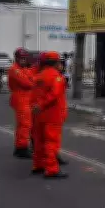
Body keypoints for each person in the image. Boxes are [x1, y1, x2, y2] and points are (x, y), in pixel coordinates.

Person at [31, 51, 69, 179]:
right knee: (51, 141)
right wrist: (41, 104)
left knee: (39, 141)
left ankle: (38, 165)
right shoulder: (56, 77)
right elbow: (54, 95)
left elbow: (33, 95)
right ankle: (51, 169)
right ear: (56, 63)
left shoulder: (38, 76)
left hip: (38, 114)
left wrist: (36, 107)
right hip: (52, 114)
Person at [8, 48, 35, 158]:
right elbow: (28, 83)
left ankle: (20, 147)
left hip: (25, 99)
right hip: (20, 99)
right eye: (21, 58)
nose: (24, 60)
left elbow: (32, 79)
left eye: (25, 58)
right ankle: (22, 148)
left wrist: (31, 79)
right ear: (17, 58)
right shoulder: (15, 69)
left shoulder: (23, 68)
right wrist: (32, 80)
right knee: (25, 125)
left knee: (24, 125)